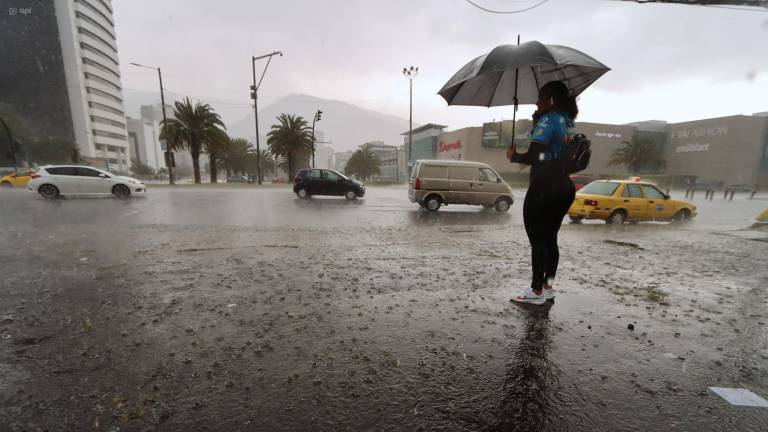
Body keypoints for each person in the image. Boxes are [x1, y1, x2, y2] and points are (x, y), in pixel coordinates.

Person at [506, 81, 577, 305]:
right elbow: (552, 152)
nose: (537, 102)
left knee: (537, 240)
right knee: (550, 239)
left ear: (551, 100)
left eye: (540, 98)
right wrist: (537, 124)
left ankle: (536, 291)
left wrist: (514, 155)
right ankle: (548, 286)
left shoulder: (548, 120)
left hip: (544, 188)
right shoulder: (567, 121)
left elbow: (535, 156)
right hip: (564, 187)